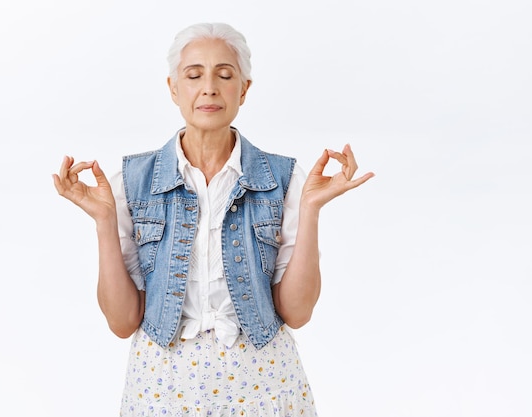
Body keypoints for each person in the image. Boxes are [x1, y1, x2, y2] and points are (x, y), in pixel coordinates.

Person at [53, 22, 374, 417]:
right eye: (194, 75)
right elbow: (122, 323)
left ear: (244, 89)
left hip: (262, 386)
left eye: (224, 75)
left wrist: (311, 210)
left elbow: (297, 313)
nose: (209, 87)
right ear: (173, 88)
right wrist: (104, 220)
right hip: (161, 390)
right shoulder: (130, 183)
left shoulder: (284, 179)